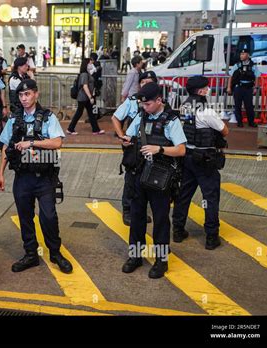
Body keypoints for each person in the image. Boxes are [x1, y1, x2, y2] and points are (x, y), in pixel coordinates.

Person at [0, 79, 73, 274]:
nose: (24, 98)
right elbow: (6, 145)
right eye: (21, 95)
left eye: (28, 94)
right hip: (22, 177)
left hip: (44, 178)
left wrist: (31, 144)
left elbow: (57, 143)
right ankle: (30, 254)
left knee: (48, 216)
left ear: (36, 94)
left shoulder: (47, 117)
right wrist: (1, 173)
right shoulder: (14, 119)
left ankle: (55, 253)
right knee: (25, 217)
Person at [120, 82, 186, 279]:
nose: (144, 107)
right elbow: (130, 136)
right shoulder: (141, 116)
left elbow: (182, 150)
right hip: (139, 175)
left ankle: (161, 260)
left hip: (160, 178)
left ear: (159, 100)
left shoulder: (171, 120)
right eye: (142, 104)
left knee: (160, 221)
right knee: (137, 218)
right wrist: (127, 140)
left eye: (148, 104)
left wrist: (161, 149)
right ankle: (135, 257)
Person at [173, 76, 229, 250]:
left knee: (184, 195)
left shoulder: (183, 107)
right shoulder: (206, 111)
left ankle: (178, 230)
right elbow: (224, 131)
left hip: (187, 157)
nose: (209, 90)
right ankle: (211, 236)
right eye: (207, 87)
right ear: (201, 91)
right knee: (210, 197)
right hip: (205, 160)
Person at [111, 71, 158, 225]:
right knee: (132, 177)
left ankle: (140, 210)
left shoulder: (159, 102)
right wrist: (121, 136)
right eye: (143, 82)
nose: (145, 85)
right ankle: (128, 210)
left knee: (148, 178)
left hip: (153, 147)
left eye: (149, 82)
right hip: (134, 147)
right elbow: (115, 118)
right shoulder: (132, 101)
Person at [66, 58, 104, 135]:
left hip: (85, 97)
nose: (91, 65)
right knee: (79, 113)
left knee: (90, 113)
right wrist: (90, 97)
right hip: (83, 97)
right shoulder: (84, 74)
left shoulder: (87, 73)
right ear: (86, 65)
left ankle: (96, 130)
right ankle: (70, 129)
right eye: (90, 64)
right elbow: (85, 86)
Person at [227, 48, 261, 128]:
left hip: (248, 88)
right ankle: (239, 122)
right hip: (238, 88)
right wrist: (229, 87)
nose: (241, 56)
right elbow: (230, 76)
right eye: (240, 54)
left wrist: (255, 87)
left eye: (243, 54)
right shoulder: (237, 65)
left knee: (249, 106)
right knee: (237, 105)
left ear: (248, 55)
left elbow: (257, 76)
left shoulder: (253, 65)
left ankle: (251, 122)